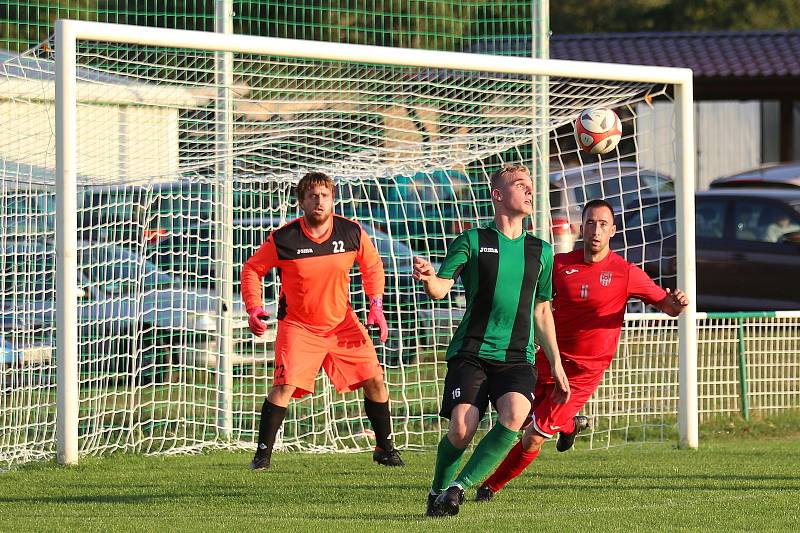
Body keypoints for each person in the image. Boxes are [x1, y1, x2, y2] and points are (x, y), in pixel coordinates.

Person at [474, 198, 689, 502]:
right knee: (512, 418)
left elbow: (667, 306)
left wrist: (676, 303)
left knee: (533, 436)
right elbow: (534, 305)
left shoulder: (625, 273)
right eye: (590, 223)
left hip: (582, 374)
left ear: (613, 230)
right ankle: (571, 423)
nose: (596, 230)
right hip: (546, 361)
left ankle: (489, 487)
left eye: (603, 224)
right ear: (581, 228)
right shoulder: (560, 265)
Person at [413, 164, 571, 517]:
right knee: (461, 430)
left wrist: (557, 364)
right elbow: (441, 289)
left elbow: (542, 311)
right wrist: (428, 278)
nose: (529, 191)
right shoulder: (472, 240)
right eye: (520, 185)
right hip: (471, 352)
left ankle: (457, 488)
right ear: (498, 195)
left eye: (531, 186)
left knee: (516, 413)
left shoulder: (541, 251)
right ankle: (438, 488)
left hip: (517, 356)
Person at [240, 171, 404, 470]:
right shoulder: (284, 238)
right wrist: (254, 308)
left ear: (333, 200)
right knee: (284, 387)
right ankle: (262, 456)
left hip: (342, 323)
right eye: (313, 195)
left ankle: (385, 448)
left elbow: (372, 267)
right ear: (301, 202)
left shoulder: (351, 232)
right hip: (298, 326)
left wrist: (376, 306)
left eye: (325, 195)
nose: (319, 200)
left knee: (376, 379)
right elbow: (252, 269)